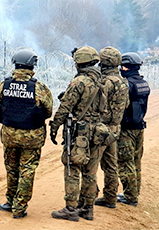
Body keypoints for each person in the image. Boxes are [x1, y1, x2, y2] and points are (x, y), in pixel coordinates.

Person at [0, 48, 53, 219]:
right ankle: (19, 208)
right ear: (32, 65)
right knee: (27, 171)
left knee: (11, 169)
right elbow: (48, 111)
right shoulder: (39, 87)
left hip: (10, 135)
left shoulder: (4, 85)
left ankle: (10, 202)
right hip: (32, 136)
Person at [50, 46, 104, 221]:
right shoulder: (100, 81)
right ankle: (88, 208)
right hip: (96, 131)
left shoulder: (80, 82)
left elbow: (65, 107)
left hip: (79, 132)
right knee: (90, 171)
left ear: (79, 63)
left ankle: (71, 209)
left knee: (72, 168)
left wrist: (54, 126)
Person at [94, 47, 129, 209]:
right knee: (111, 165)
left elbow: (96, 105)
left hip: (101, 129)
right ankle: (110, 197)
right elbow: (126, 104)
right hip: (115, 129)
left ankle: (87, 199)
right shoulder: (123, 82)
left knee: (91, 165)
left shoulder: (104, 82)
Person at [116, 52, 150, 207]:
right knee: (136, 162)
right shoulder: (143, 83)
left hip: (127, 129)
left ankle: (130, 197)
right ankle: (134, 193)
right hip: (139, 127)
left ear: (126, 66)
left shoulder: (126, 85)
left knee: (125, 162)